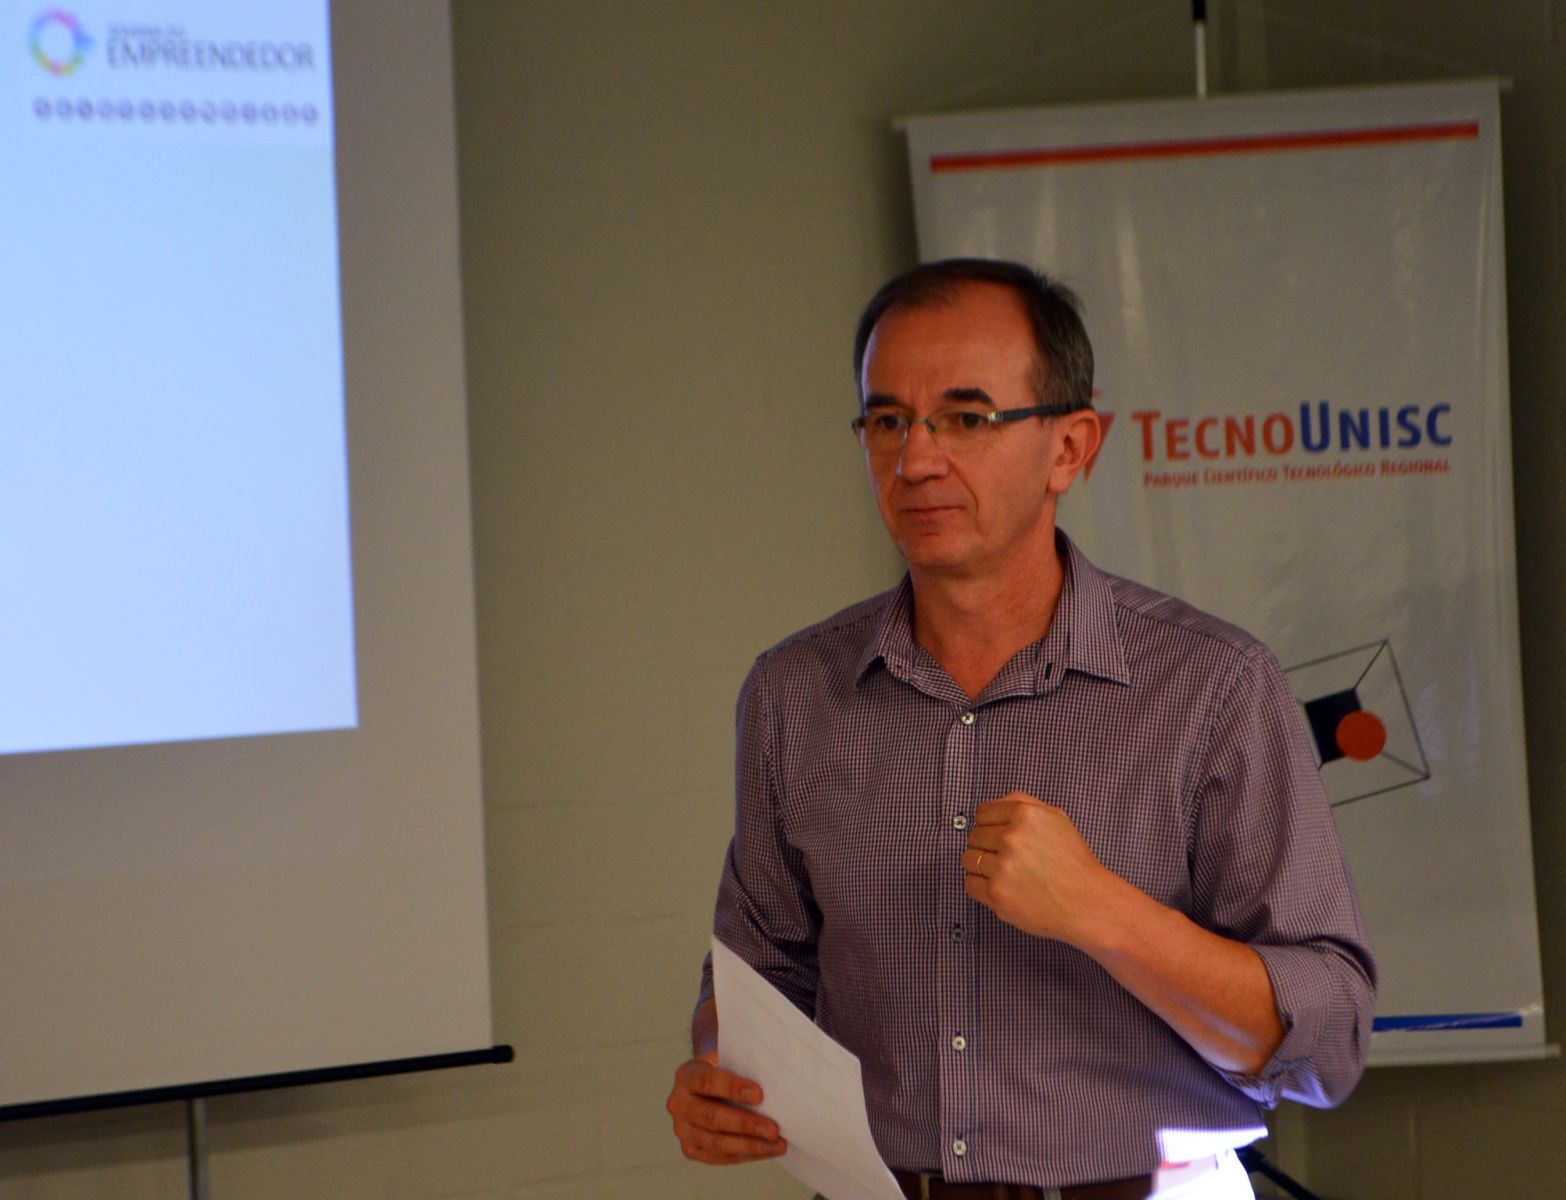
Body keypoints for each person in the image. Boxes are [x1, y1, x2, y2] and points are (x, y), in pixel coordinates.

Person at [666, 258, 1376, 1200]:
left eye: (966, 418)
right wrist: (717, 1070)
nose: (916, 460)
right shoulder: (794, 694)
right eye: (888, 421)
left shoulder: (1213, 687)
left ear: (1071, 448)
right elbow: (761, 974)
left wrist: (1100, 911)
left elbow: (1329, 1044)